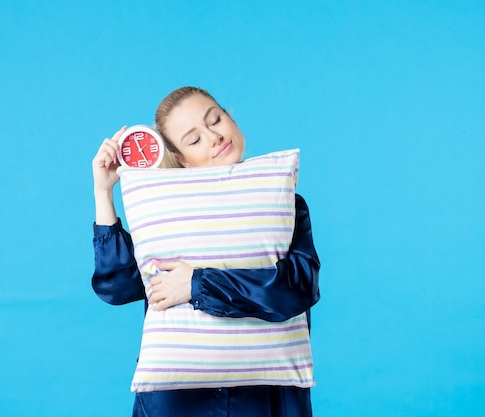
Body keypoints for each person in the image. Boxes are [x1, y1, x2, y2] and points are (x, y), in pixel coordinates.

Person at [91, 86, 321, 417]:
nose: (214, 137)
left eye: (215, 119)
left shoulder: (283, 202)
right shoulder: (161, 210)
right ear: (180, 158)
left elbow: (297, 288)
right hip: (178, 401)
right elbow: (119, 287)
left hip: (265, 398)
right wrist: (103, 192)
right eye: (194, 140)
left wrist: (197, 284)